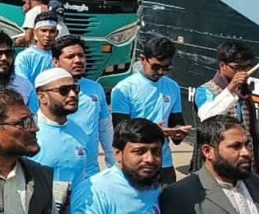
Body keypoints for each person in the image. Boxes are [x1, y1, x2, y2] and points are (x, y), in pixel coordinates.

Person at [67, 118, 175, 214]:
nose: (150, 159)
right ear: (118, 154)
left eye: (156, 151)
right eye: (139, 151)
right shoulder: (96, 189)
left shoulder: (155, 186)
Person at [111, 37, 190, 185]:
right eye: (155, 67)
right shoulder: (124, 89)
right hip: (136, 163)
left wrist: (179, 132)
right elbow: (120, 131)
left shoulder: (173, 87)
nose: (160, 72)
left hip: (163, 163)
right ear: (143, 59)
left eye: (166, 68)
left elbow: (176, 122)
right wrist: (154, 132)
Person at [193, 41, 259, 173]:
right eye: (238, 68)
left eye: (247, 67)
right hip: (218, 161)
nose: (244, 72)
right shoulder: (206, 91)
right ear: (222, 65)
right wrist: (230, 88)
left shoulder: (244, 90)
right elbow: (207, 116)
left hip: (242, 159)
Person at [53, 35, 115, 175]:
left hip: (89, 173)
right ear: (56, 62)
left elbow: (105, 128)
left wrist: (113, 164)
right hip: (57, 174)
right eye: (70, 57)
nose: (78, 61)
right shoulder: (45, 90)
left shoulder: (95, 88)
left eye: (81, 56)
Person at [30, 68, 93, 187]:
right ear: (42, 97)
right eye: (63, 90)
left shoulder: (79, 132)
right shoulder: (28, 132)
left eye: (75, 89)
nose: (73, 94)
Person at [14, 11, 61, 85]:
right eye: (44, 30)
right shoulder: (24, 56)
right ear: (35, 32)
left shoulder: (60, 55)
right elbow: (22, 83)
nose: (47, 35)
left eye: (52, 31)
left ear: (57, 33)